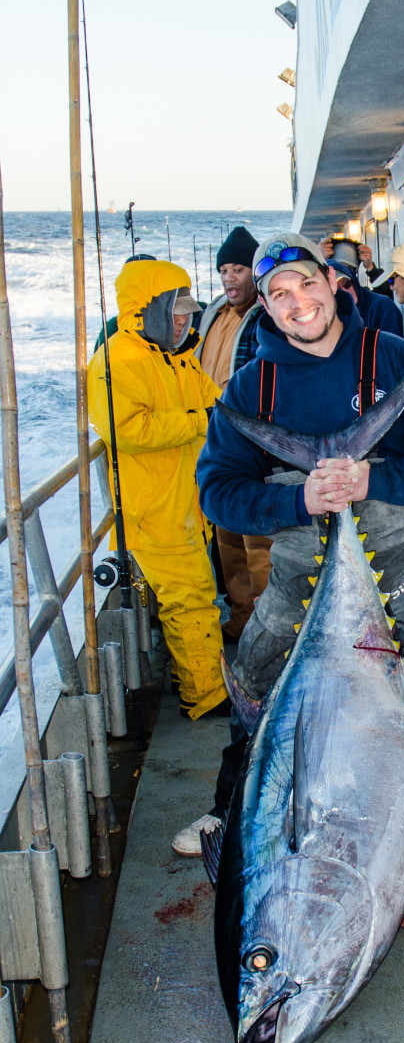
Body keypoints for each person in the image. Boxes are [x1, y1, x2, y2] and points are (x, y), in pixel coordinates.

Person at [183, 231, 404, 900]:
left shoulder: (397, 363)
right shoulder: (249, 391)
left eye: (306, 284)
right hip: (298, 556)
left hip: (400, 549)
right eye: (279, 295)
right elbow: (217, 490)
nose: (297, 303)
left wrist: (372, 480)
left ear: (333, 283)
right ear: (265, 305)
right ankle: (230, 812)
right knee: (256, 679)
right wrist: (298, 495)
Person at [87, 259, 229, 721]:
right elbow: (126, 428)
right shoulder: (116, 360)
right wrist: (198, 423)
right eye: (176, 313)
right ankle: (206, 696)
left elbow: (215, 402)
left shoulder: (177, 358)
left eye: (189, 313)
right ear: (148, 311)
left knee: (192, 594)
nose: (185, 321)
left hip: (186, 498)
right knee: (191, 598)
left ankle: (190, 675)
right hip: (154, 507)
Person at [196, 226, 272, 641]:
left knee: (259, 542)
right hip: (214, 441)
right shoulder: (212, 315)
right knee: (226, 539)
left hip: (254, 444)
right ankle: (242, 617)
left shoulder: (265, 317)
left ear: (255, 273)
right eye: (223, 269)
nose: (229, 278)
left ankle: (270, 627)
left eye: (239, 268)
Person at [329, 258, 403, 335]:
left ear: (354, 281)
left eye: (347, 283)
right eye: (338, 290)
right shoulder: (330, 319)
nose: (345, 291)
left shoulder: (382, 306)